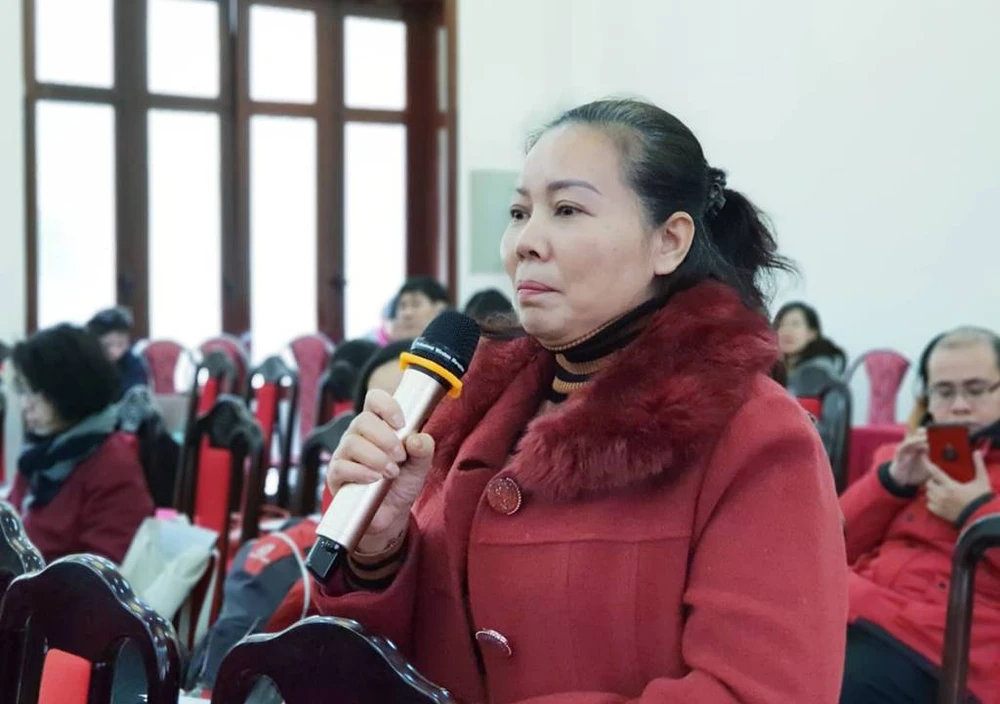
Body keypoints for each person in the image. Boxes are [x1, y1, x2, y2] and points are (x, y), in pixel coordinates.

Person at [274, 99, 848, 702]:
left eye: (567, 210)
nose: (525, 241)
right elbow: (409, 661)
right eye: (519, 212)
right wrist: (380, 549)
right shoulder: (476, 410)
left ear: (669, 241)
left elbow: (757, 693)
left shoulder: (757, 434)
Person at [841, 327, 1000, 704]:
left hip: (942, 647)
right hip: (853, 608)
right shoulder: (907, 457)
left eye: (976, 390)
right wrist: (891, 483)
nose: (959, 406)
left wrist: (976, 509)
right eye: (944, 392)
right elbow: (829, 543)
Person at [8, 324, 154, 563]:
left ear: (69, 390)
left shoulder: (112, 467)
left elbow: (100, 573)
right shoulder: (40, 453)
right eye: (23, 391)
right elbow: (10, 528)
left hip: (55, 585)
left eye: (35, 392)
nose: (26, 405)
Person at [86, 307, 149, 399]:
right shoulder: (86, 362)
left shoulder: (133, 361)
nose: (114, 351)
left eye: (121, 344)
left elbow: (134, 391)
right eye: (106, 346)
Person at [774, 301, 846, 377]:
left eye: (795, 324)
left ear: (812, 333)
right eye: (781, 325)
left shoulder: (819, 374)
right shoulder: (776, 369)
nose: (787, 330)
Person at [387, 276, 449, 341]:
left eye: (416, 304)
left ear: (440, 308)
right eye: (403, 306)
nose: (407, 313)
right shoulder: (388, 346)